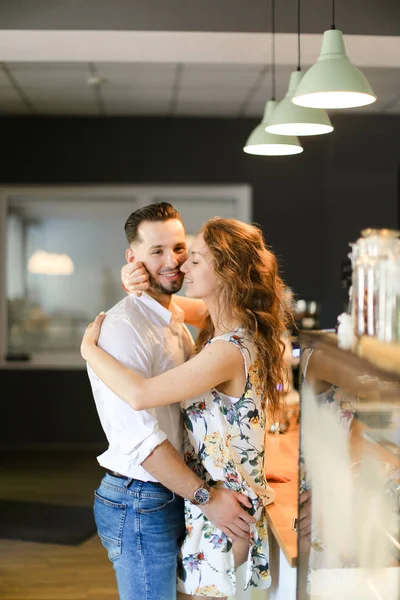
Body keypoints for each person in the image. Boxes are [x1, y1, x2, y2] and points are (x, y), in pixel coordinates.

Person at [82, 215, 289, 599]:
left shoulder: (228, 348)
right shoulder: (231, 323)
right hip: (205, 498)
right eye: (161, 251)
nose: (179, 264)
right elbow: (172, 304)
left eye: (190, 256)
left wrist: (87, 350)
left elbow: (140, 394)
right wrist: (138, 283)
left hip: (219, 506)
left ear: (226, 271)